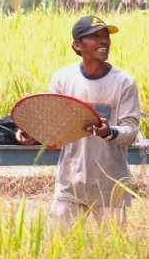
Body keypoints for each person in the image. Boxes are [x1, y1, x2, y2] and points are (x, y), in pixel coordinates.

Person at [17, 15, 141, 221]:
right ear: (77, 45)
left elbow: (130, 131)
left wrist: (109, 132)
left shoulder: (124, 83)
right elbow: (53, 128)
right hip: (70, 185)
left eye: (106, 36)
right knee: (59, 248)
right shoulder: (63, 79)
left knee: (110, 252)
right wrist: (33, 135)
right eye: (95, 36)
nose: (104, 41)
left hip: (110, 187)